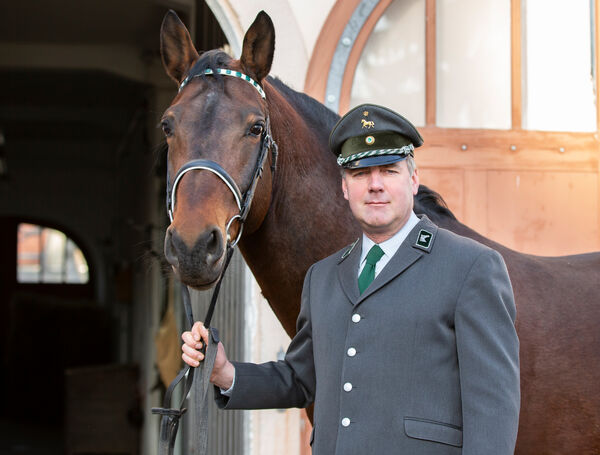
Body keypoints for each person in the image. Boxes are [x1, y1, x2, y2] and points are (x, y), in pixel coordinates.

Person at [181, 104, 520, 454]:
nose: (375, 185)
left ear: (413, 180)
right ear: (344, 187)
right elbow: (300, 378)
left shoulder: (471, 267)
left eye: (389, 171)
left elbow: (494, 406)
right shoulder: (323, 277)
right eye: (360, 174)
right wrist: (225, 372)